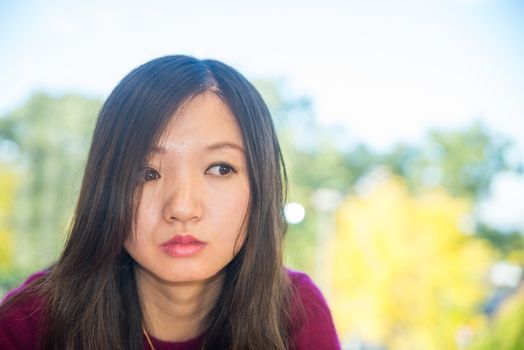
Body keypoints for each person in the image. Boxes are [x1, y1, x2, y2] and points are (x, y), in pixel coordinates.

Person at [0, 55, 340, 350]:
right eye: (146, 173)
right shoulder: (29, 324)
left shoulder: (296, 316)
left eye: (220, 169)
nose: (182, 208)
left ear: (260, 186)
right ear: (105, 188)